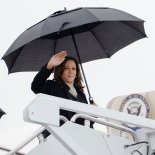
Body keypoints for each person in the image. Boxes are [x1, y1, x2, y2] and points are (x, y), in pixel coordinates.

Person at [31, 50, 93, 139]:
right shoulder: (52, 86)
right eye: (66, 68)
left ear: (77, 73)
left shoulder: (81, 94)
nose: (70, 71)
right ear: (60, 71)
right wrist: (50, 65)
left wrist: (93, 113)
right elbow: (35, 86)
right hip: (58, 136)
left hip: (79, 138)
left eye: (73, 68)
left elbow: (85, 123)